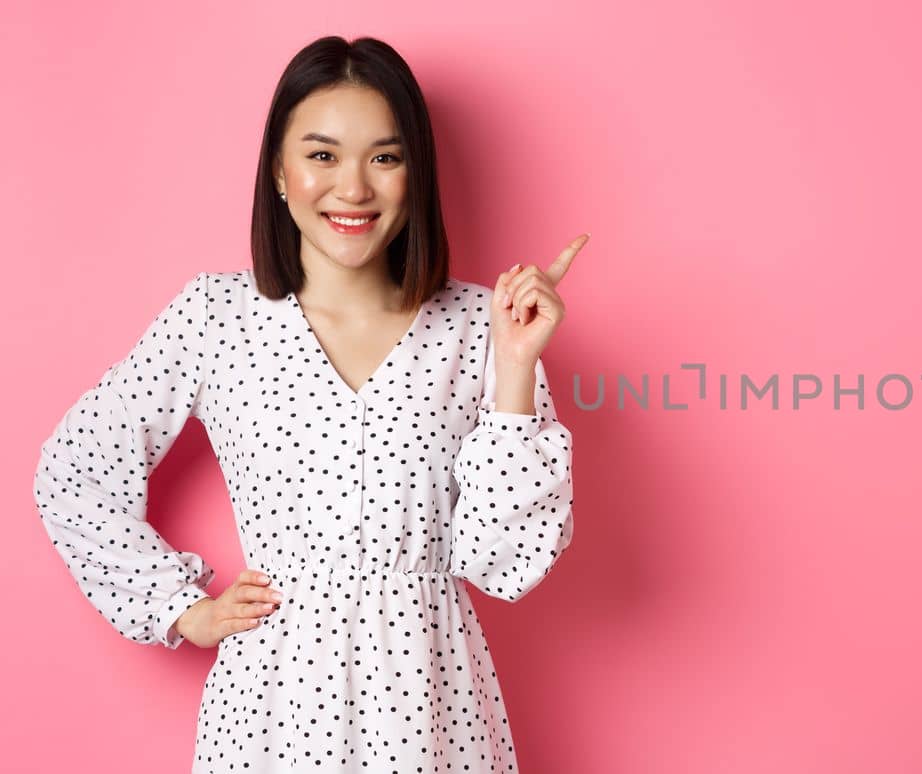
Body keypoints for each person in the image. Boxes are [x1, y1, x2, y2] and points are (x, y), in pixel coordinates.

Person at [32, 35, 581, 772]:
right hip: (272, 704)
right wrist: (177, 608)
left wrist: (515, 367)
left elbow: (503, 566)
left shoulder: (482, 327)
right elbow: (74, 472)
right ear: (280, 174)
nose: (353, 188)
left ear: (415, 174)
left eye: (385, 157)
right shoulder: (215, 317)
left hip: (431, 703)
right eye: (322, 155)